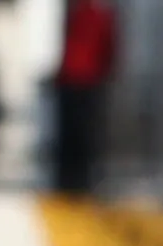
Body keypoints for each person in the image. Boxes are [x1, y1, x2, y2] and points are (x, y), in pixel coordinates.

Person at [48, 0, 117, 200]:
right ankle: (71, 182)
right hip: (75, 81)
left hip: (85, 82)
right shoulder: (80, 13)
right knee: (74, 137)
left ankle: (76, 182)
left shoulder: (93, 14)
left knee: (80, 137)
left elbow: (108, 48)